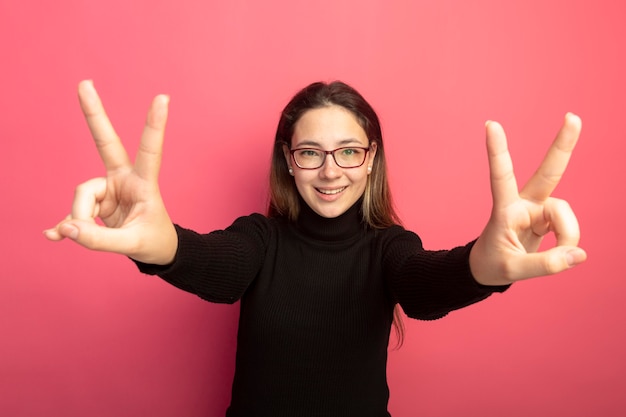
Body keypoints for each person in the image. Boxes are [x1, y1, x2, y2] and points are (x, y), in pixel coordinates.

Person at [44, 80, 586, 417]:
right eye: (311, 152)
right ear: (288, 159)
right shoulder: (260, 239)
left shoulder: (389, 250)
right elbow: (214, 265)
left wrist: (485, 265)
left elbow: (426, 283)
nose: (330, 172)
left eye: (349, 151)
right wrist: (158, 245)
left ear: (371, 159)